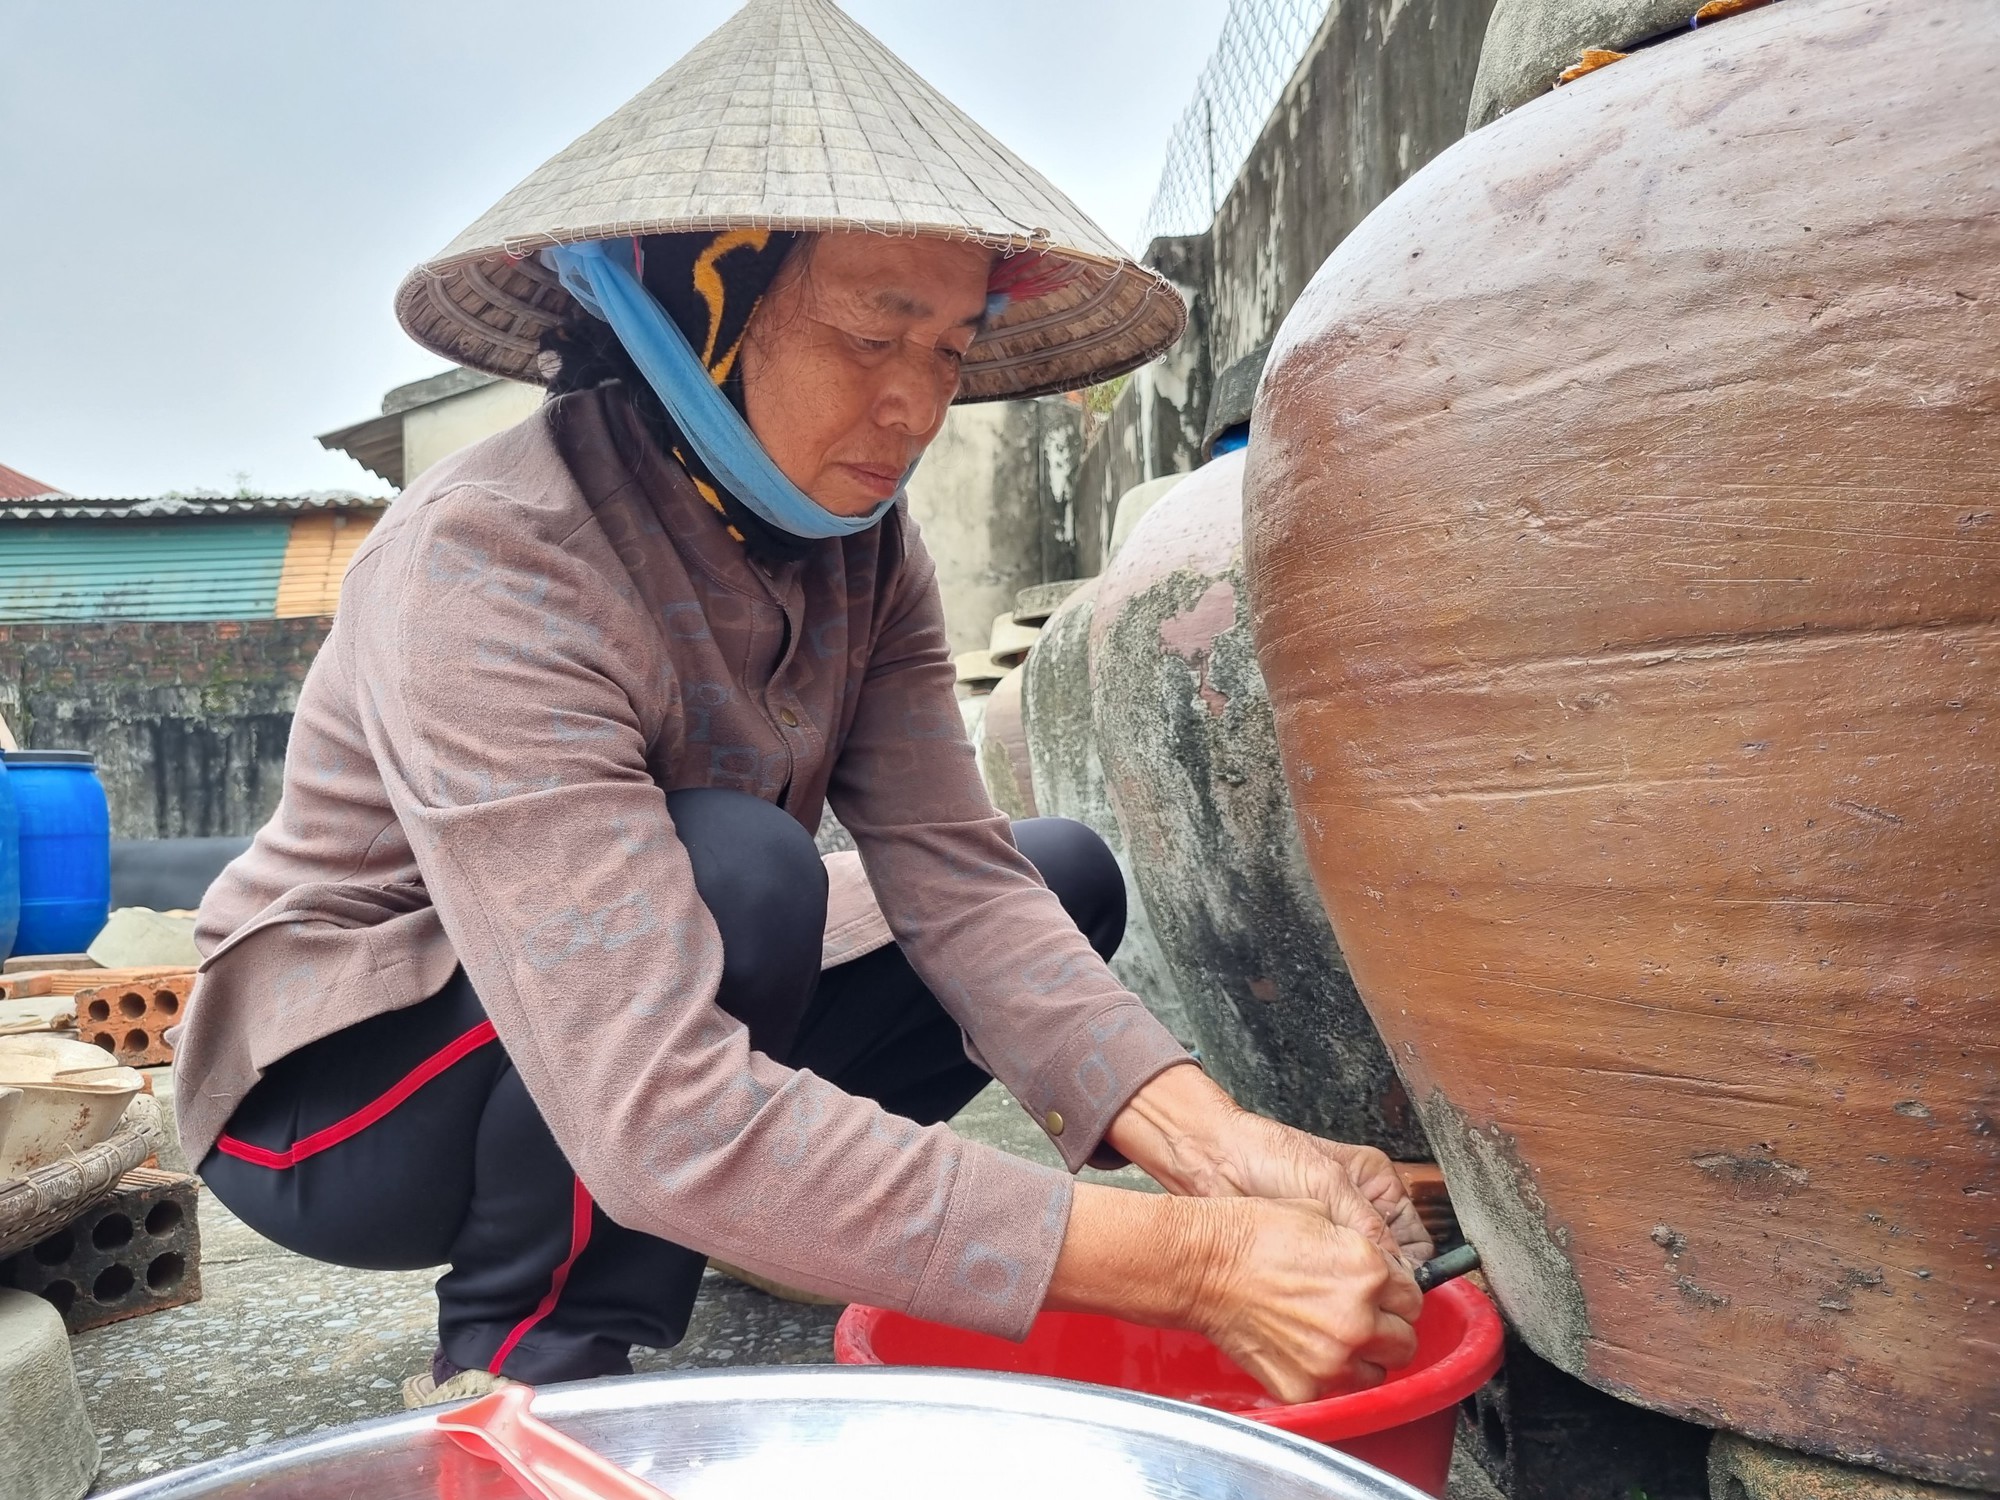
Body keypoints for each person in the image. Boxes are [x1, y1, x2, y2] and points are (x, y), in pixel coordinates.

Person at [173, 0, 1431, 1407]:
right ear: (696, 307)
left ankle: (766, 1209)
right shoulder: (492, 559)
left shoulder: (870, 555)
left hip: (630, 1013)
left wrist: (1220, 1147)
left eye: (948, 350)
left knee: (1051, 870)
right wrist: (1197, 1264)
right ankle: (533, 1363)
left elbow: (958, 881)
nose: (912, 406)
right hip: (336, 1102)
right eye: (871, 334)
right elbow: (646, 1091)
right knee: (742, 875)